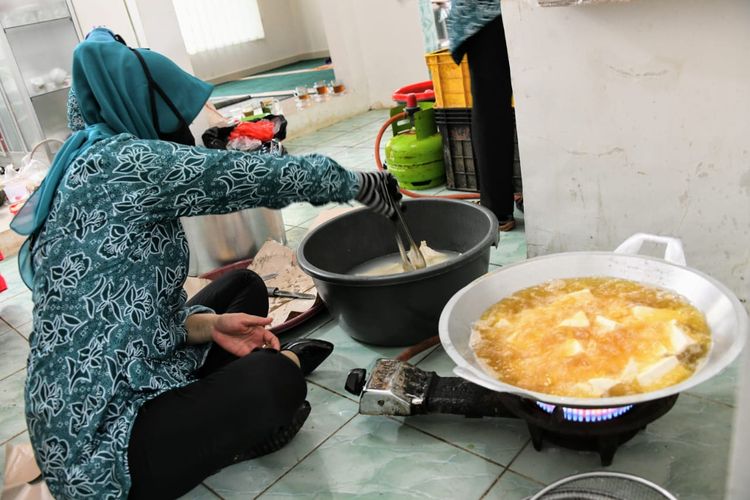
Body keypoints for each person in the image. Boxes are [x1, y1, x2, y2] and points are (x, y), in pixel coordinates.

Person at [12, 28, 398, 499]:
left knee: (244, 286)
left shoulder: (85, 156)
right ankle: (260, 390)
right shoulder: (123, 162)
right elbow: (251, 177)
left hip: (124, 362)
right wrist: (357, 184)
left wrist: (207, 327)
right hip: (100, 446)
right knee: (275, 381)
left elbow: (126, 311)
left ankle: (216, 396)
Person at [447, 1, 521, 231]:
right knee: (515, 104)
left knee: (492, 109)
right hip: (496, 14)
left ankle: (499, 209)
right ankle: (506, 206)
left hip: (488, 14)